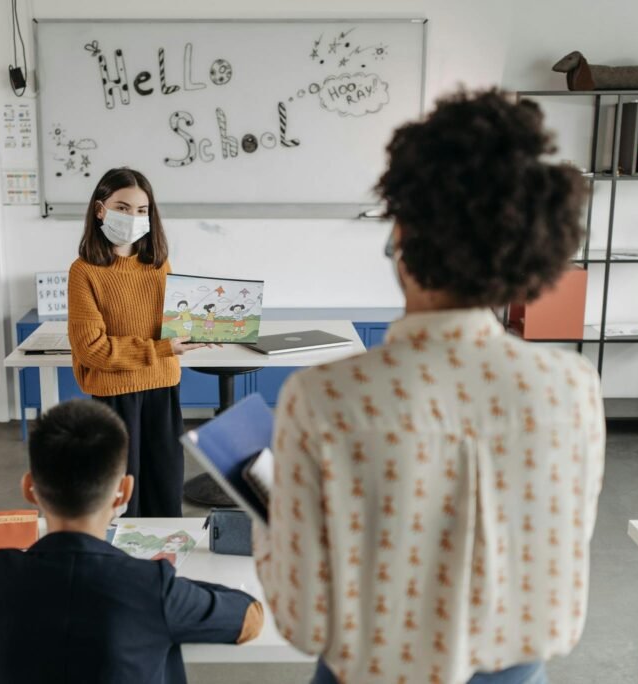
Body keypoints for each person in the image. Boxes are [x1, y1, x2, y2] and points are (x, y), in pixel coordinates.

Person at [253, 88, 605, 684]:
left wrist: (272, 522)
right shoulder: (571, 387)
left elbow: (303, 620)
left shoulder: (324, 398)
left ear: (405, 235)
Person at [0, 399, 263, 683]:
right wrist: (164, 579)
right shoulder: (151, 588)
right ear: (124, 492)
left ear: (29, 488)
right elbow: (249, 619)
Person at [68, 168, 209, 517]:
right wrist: (161, 348)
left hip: (163, 388)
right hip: (115, 397)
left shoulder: (159, 265)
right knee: (120, 497)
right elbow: (92, 349)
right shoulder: (84, 271)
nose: (133, 217)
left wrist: (206, 328)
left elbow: (174, 325)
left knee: (165, 488)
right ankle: (122, 565)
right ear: (101, 210)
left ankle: (162, 565)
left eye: (142, 210)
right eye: (123, 207)